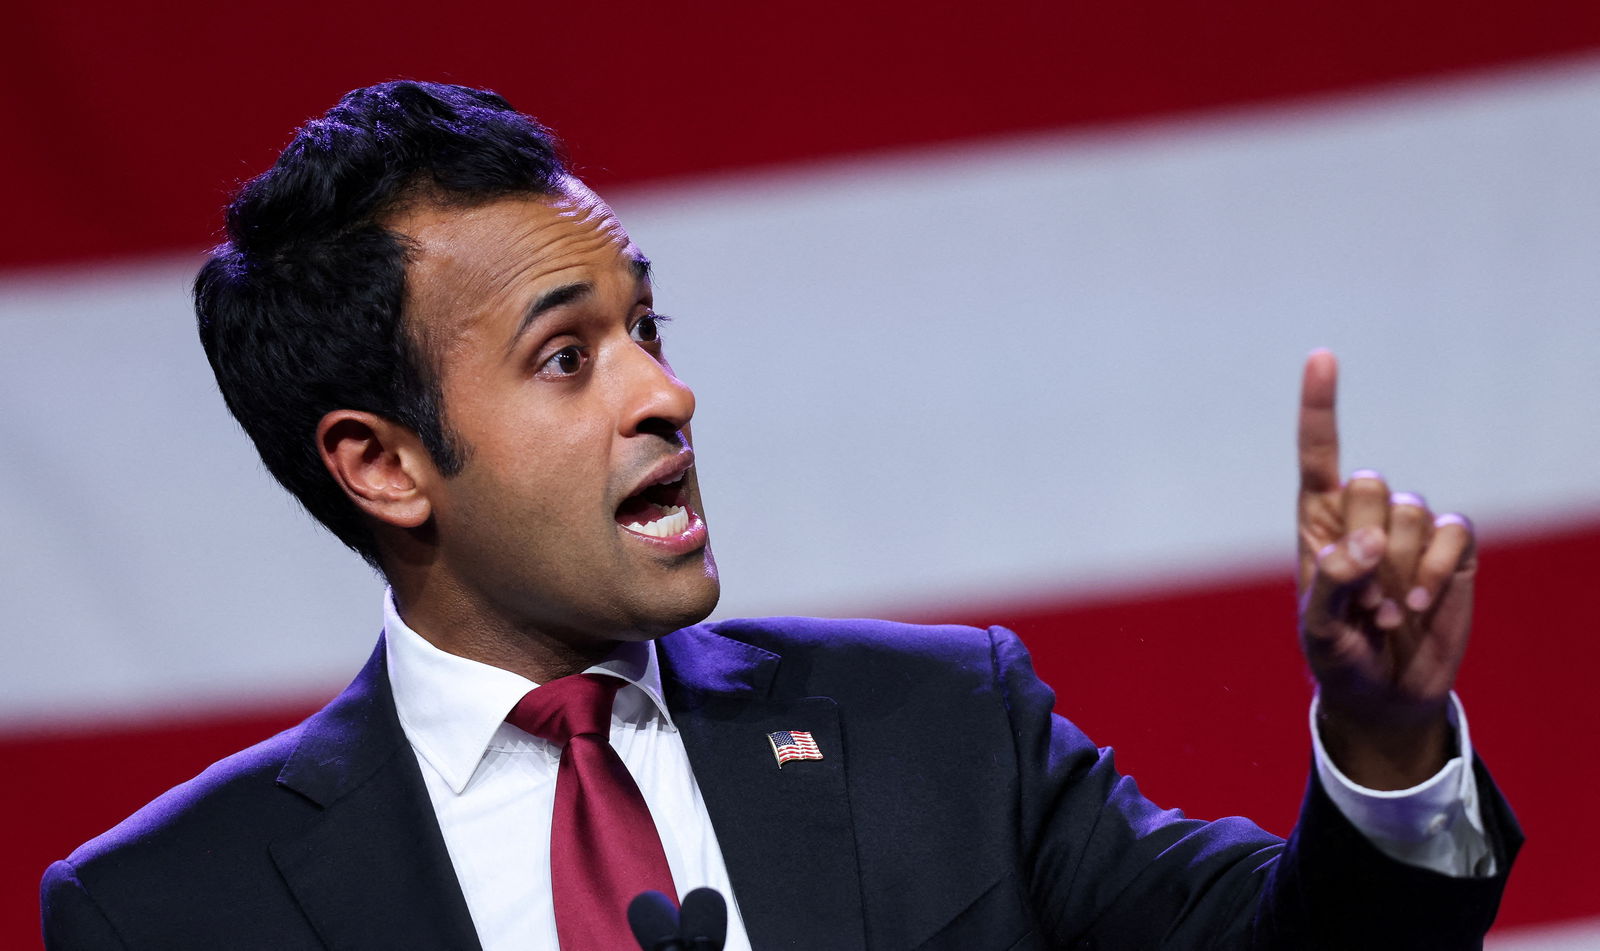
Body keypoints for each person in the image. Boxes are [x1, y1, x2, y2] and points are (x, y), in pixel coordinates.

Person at [40, 81, 1519, 950]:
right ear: (383, 465)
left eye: (648, 327)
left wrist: (1386, 737)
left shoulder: (943, 729)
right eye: (568, 357)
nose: (666, 396)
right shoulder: (172, 909)